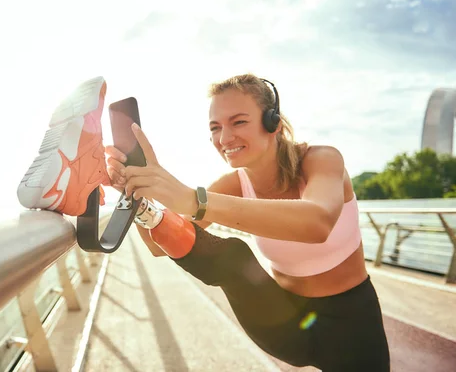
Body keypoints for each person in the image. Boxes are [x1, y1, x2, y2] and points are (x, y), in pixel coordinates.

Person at [104, 73, 391, 371]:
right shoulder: (232, 185)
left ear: (273, 123)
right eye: (215, 128)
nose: (224, 139)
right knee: (232, 256)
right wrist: (138, 194)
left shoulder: (321, 159)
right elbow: (157, 244)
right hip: (284, 319)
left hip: (353, 321)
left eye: (238, 122)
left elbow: (317, 223)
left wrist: (193, 200)